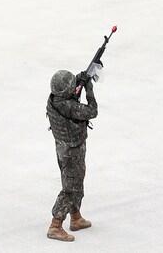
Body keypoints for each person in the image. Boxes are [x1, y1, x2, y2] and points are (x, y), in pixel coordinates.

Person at [45, 70, 98, 242]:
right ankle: (55, 225)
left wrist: (79, 82)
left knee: (76, 181)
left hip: (65, 148)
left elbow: (70, 97)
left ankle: (75, 216)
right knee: (70, 188)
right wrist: (88, 89)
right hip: (71, 152)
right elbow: (92, 111)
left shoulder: (54, 99)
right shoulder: (68, 106)